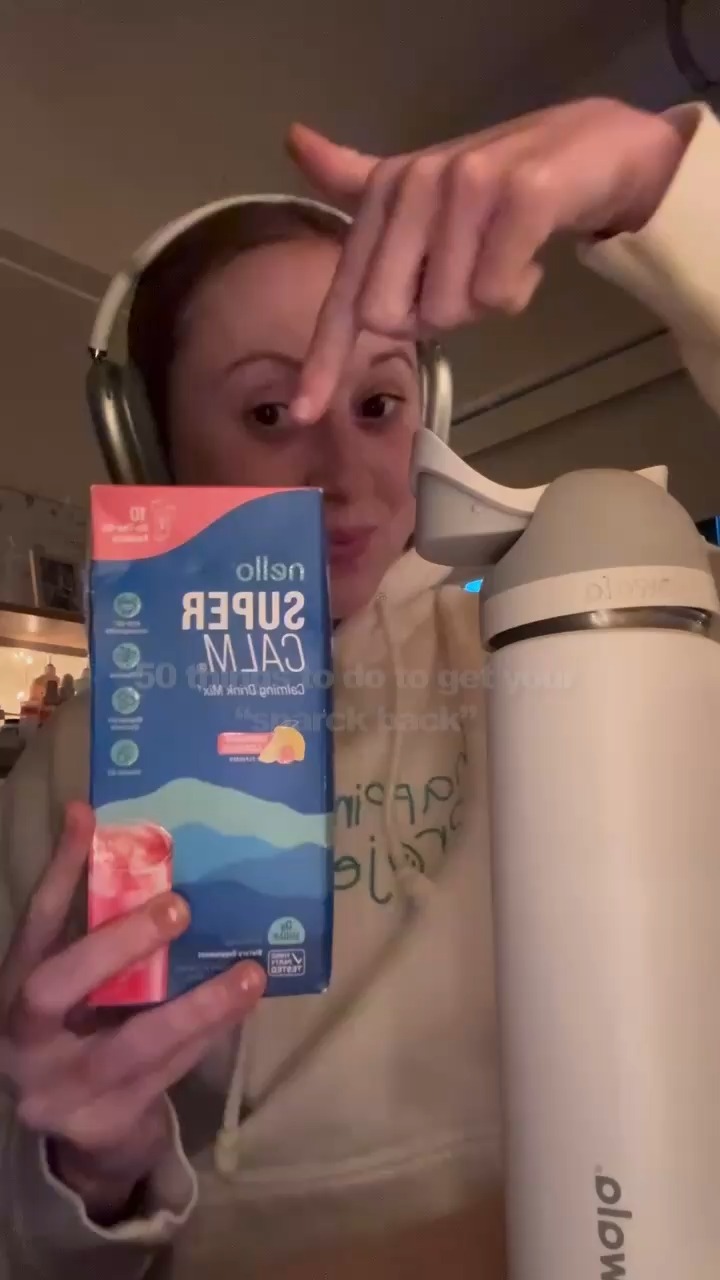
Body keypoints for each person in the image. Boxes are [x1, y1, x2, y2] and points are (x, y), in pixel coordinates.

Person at [1, 96, 720, 1280]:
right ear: (154, 450)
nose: (347, 473)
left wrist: (668, 186)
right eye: (270, 410)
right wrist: (89, 1172)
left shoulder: (549, 642)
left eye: (378, 404)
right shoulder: (75, 768)